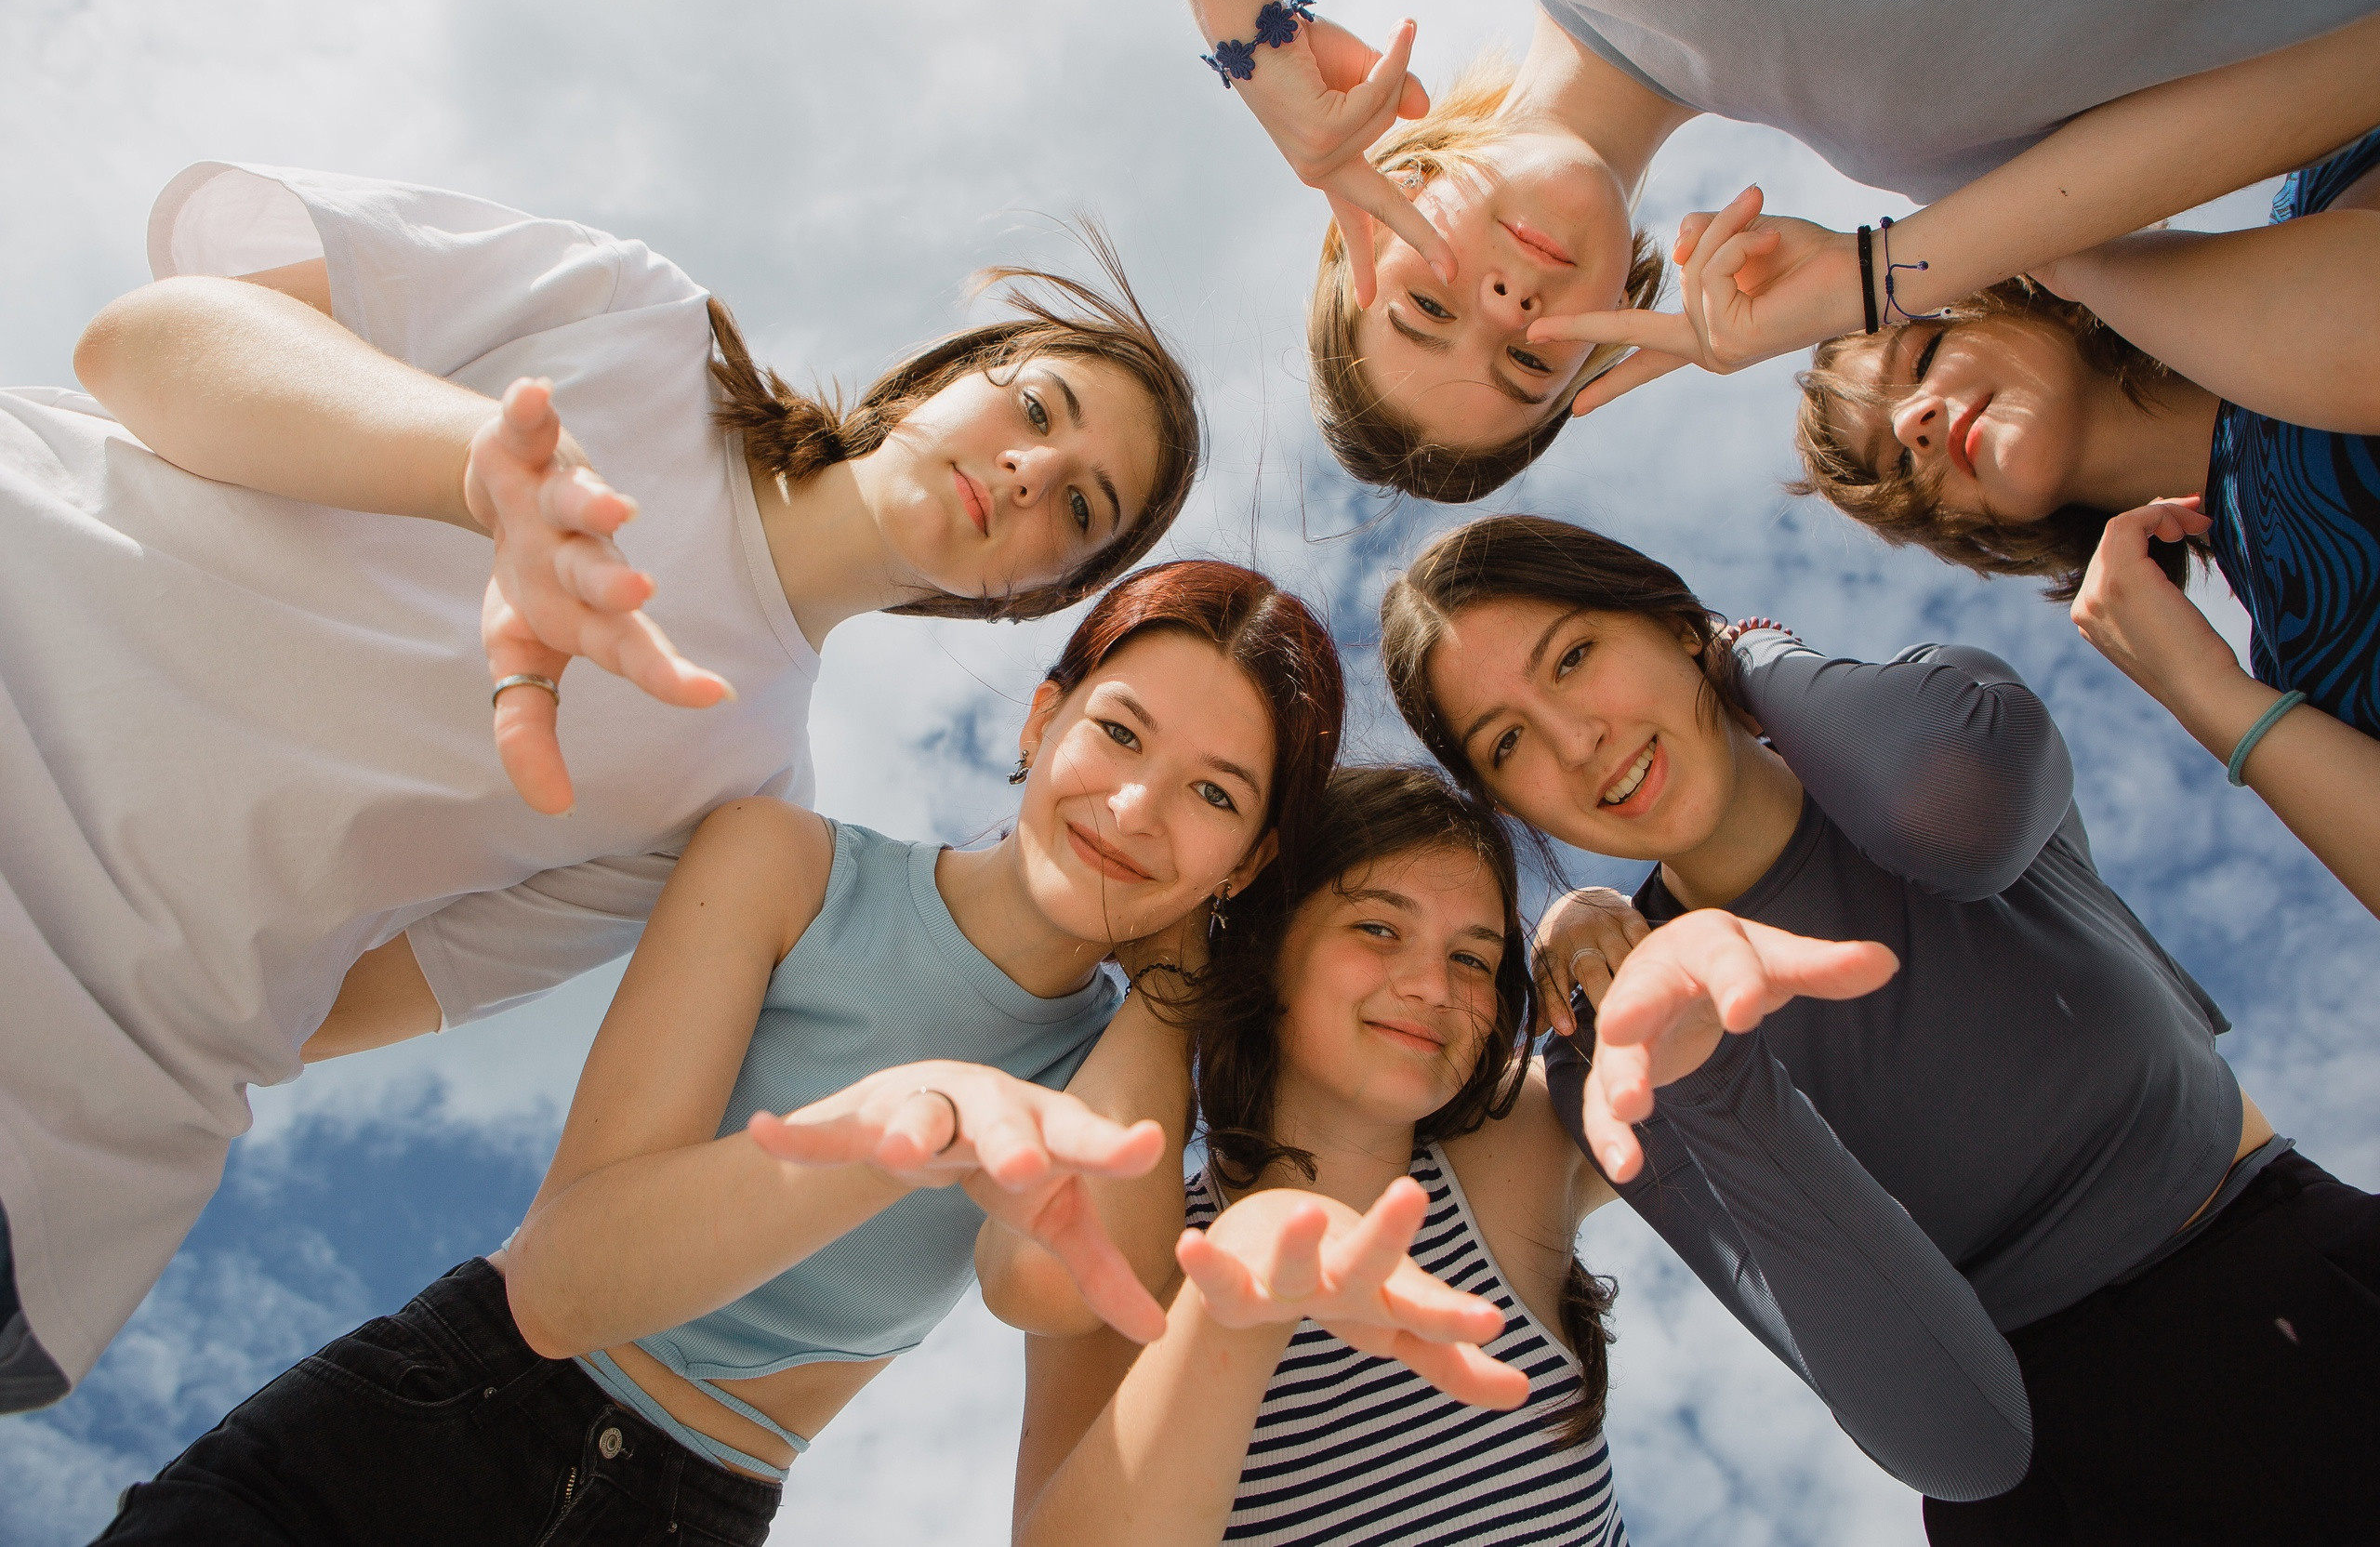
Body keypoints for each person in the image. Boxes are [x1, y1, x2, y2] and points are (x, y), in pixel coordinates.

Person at [0, 162, 1204, 1411]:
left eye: (1078, 503)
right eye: (1035, 407)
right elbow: (145, 341)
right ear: (945, 374)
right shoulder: (641, 323)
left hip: (68, 1131)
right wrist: (472, 465)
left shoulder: (743, 796)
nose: (1027, 470)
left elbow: (355, 998)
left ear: (1036, 596)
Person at [91, 558, 1344, 1544]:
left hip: (697, 1508)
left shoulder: (1112, 1074)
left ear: (1251, 860)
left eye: (1216, 794)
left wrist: (1186, 973)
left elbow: (1053, 1285)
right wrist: (916, 1114)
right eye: (1120, 733)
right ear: (1045, 712)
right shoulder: (786, 867)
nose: (1136, 808)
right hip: (431, 1423)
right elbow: (565, 1282)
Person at [1379, 513, 2380, 1543]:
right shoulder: (1616, 1047)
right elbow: (1951, 1437)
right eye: (1505, 744)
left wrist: (1752, 653)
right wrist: (1703, 1067)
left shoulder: (1922, 723)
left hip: (2308, 1271)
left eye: (1575, 657)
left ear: (1679, 625)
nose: (1574, 741)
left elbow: (1952, 814)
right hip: (2067, 1491)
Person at [990, 766, 2033, 1547]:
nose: (1433, 987)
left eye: (1473, 957)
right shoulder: (1142, 1248)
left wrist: (1587, 927)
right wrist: (1235, 1308)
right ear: (1269, 948)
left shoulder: (1511, 1152)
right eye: (1377, 929)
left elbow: (1641, 1034)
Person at [1167, 0, 2380, 499]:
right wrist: (1885, 273)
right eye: (1531, 363)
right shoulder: (1944, 168)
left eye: (1425, 305)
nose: (1503, 312)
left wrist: (1253, 37)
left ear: (1361, 213)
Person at [1792, 128, 2380, 917]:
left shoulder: (2327, 189)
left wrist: (2073, 252)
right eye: (1899, 471)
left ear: (2002, 292)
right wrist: (2211, 698)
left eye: (1924, 358)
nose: (1912, 426)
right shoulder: (2307, 655)